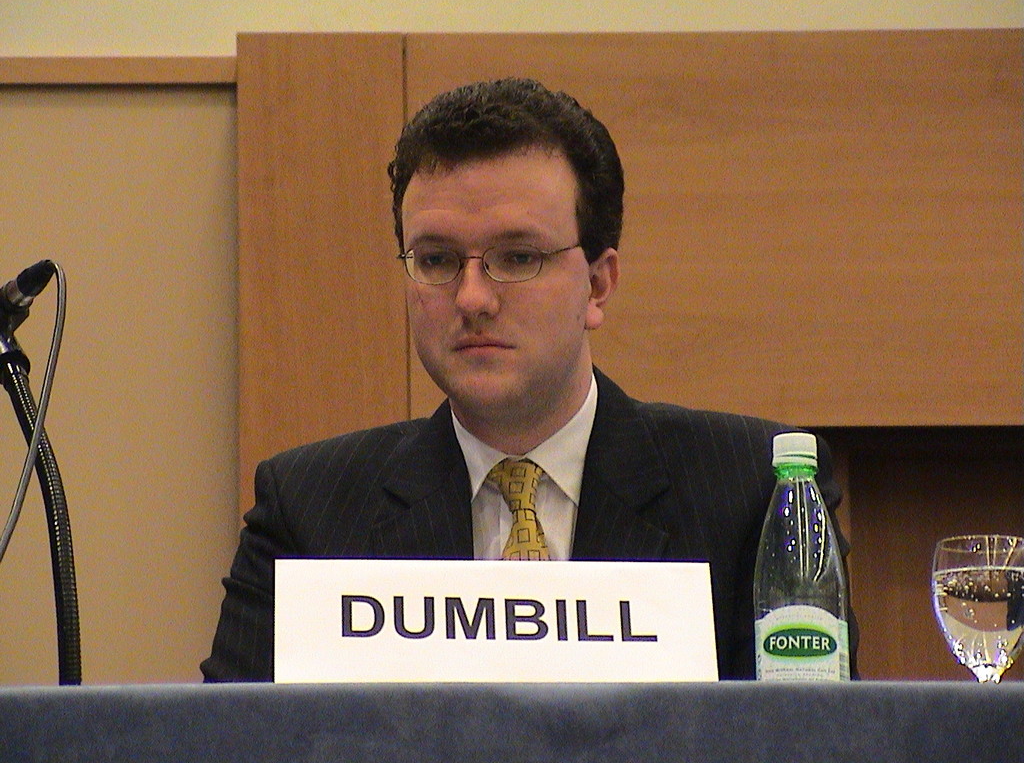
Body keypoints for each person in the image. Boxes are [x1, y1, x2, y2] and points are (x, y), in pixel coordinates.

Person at [201, 77, 856, 681]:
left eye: (517, 257)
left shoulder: (754, 490)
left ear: (598, 284)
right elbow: (226, 743)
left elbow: (811, 738)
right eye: (437, 260)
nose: (472, 298)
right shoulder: (309, 512)